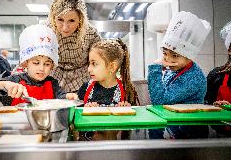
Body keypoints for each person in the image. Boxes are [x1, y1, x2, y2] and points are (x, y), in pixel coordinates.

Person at [0, 24, 77, 106]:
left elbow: (60, 97)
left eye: (47, 64)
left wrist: (67, 97)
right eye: (36, 63)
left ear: (52, 66)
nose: (41, 68)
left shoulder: (52, 83)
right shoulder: (15, 81)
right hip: (17, 129)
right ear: (26, 63)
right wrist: (3, 85)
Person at [147, 11, 211, 139]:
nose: (168, 59)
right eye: (165, 53)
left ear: (189, 55)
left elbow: (159, 101)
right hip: (176, 131)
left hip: (190, 135)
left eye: (175, 55)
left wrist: (155, 69)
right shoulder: (174, 70)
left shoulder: (194, 78)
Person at [46, 0, 101, 93]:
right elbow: (30, 59)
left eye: (72, 20)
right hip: (52, 82)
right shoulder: (45, 30)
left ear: (81, 19)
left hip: (83, 83)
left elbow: (100, 62)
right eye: (60, 20)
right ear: (53, 17)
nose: (65, 28)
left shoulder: (91, 33)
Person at [77, 39, 140, 106]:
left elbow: (135, 114)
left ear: (112, 67)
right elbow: (76, 112)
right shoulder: (85, 88)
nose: (89, 69)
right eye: (89, 63)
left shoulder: (127, 90)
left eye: (94, 63)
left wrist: (127, 109)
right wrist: (85, 109)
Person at [205, 21, 231, 137]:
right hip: (222, 136)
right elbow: (205, 105)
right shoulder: (216, 75)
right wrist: (217, 107)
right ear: (229, 50)